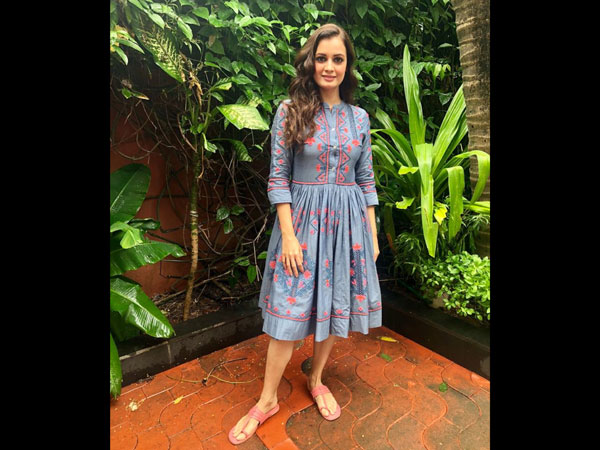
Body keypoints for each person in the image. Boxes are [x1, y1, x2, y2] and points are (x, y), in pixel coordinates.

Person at [228, 23, 382, 445]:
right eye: (322, 58)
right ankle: (267, 400)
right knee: (287, 312)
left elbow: (366, 180)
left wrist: (371, 236)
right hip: (302, 225)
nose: (329, 66)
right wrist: (289, 235)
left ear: (347, 65)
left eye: (338, 59)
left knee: (334, 304)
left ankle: (315, 378)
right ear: (311, 62)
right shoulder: (290, 110)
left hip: (348, 228)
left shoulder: (359, 118)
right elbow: (278, 178)